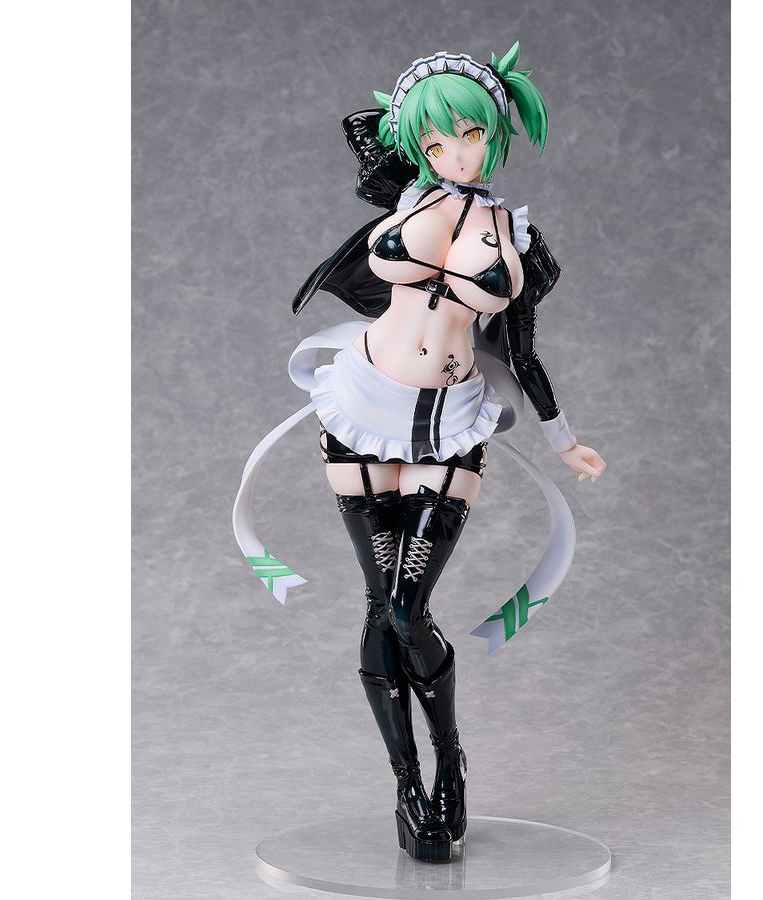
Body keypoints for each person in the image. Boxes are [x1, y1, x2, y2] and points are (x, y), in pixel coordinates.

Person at [234, 43, 606, 862]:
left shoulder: (518, 239)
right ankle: (409, 785)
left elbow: (523, 351)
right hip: (361, 406)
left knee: (407, 609)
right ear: (418, 146)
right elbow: (363, 130)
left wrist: (565, 440)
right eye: (436, 142)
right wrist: (410, 123)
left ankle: (451, 760)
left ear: (496, 135)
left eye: (470, 135)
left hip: (449, 423)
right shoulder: (403, 195)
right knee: (380, 606)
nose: (454, 154)